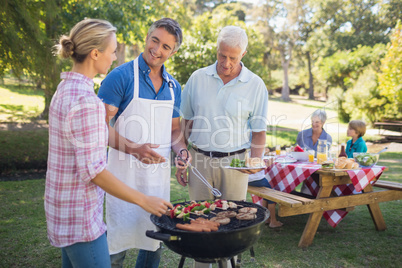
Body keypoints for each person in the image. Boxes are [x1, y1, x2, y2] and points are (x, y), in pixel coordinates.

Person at [44, 18, 172, 268]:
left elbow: (91, 136)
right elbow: (94, 171)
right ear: (95, 53)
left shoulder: (65, 89)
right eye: (113, 51)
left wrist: (133, 148)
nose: (114, 58)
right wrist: (143, 200)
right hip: (80, 218)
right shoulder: (87, 101)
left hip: (62, 208)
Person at [97, 18, 191, 268]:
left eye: (166, 47)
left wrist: (181, 151)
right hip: (121, 178)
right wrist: (134, 149)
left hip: (156, 182)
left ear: (174, 52)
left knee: (153, 242)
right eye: (155, 40)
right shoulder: (121, 77)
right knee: (115, 245)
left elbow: (174, 131)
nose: (157, 50)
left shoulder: (173, 88)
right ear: (147, 37)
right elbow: (98, 129)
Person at [180, 25, 268, 267]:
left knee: (234, 227)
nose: (226, 62)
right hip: (199, 161)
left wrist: (255, 160)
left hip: (236, 163)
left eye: (233, 57)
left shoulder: (256, 84)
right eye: (222, 55)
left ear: (243, 54)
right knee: (200, 220)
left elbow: (259, 134)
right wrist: (182, 156)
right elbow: (184, 124)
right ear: (217, 49)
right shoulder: (198, 78)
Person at [248, 157, 283, 228]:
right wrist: (268, 163)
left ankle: (265, 218)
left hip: (248, 179)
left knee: (266, 196)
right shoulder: (256, 151)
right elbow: (256, 167)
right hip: (257, 179)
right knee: (271, 197)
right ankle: (273, 221)